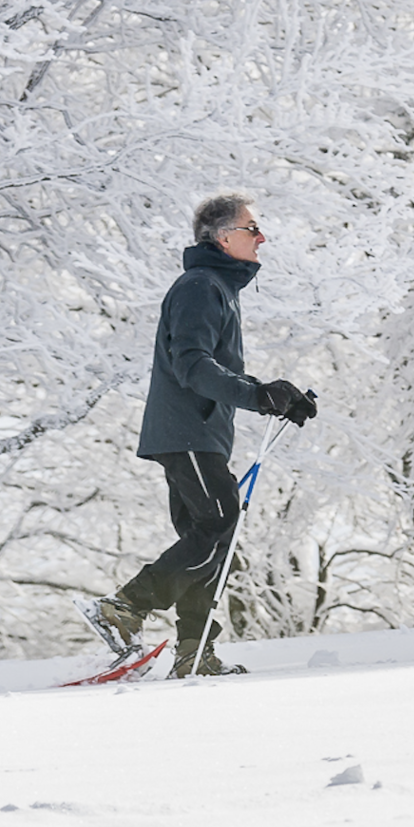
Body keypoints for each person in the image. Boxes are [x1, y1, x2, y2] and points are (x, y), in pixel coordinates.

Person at [77, 194, 318, 677]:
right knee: (219, 521)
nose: (262, 237)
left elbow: (211, 367)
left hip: (199, 432)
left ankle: (195, 650)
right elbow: (192, 365)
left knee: (214, 539)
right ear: (225, 237)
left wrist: (273, 394)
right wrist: (257, 395)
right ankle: (125, 606)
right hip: (188, 430)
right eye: (253, 229)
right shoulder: (200, 287)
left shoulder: (215, 289)